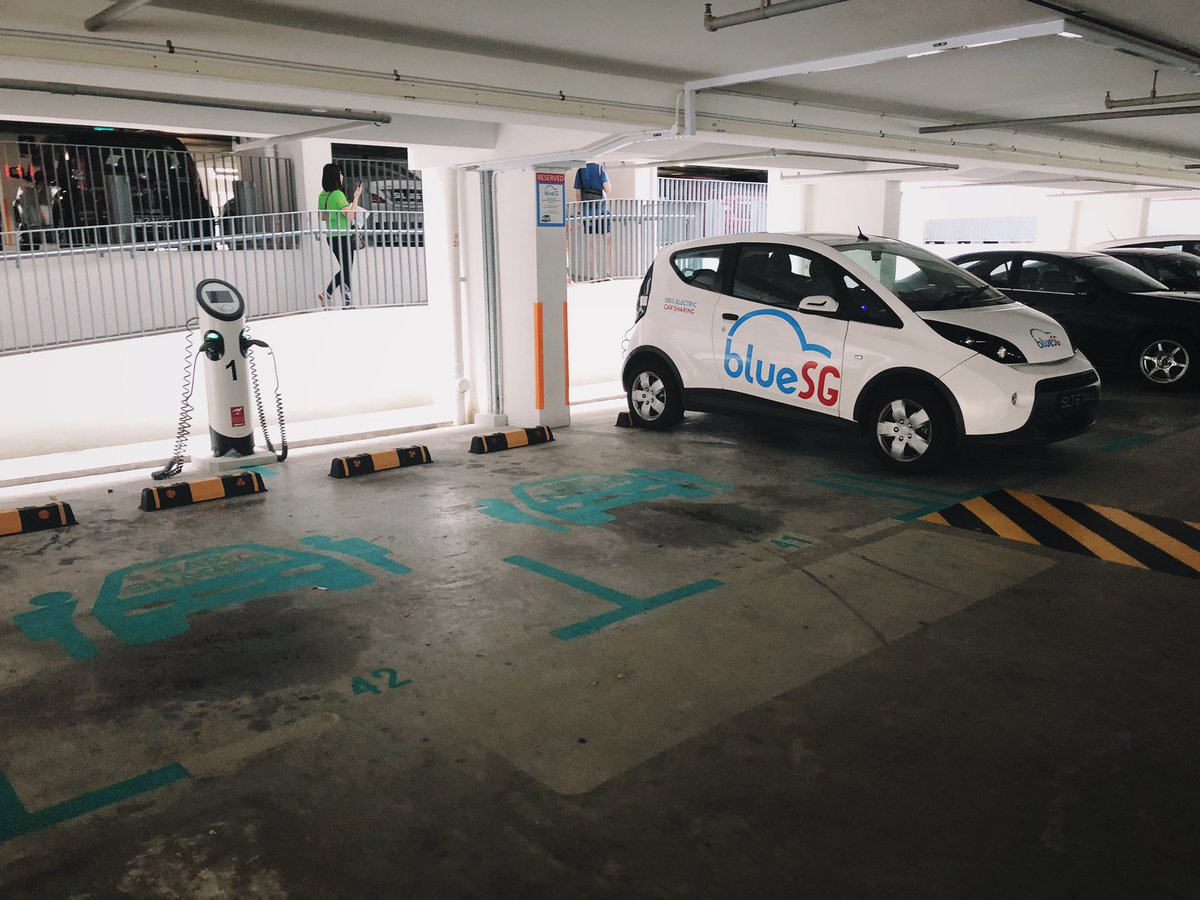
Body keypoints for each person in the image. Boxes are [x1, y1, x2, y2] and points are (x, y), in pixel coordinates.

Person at [317, 163, 363, 308]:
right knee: (347, 269)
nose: (342, 177)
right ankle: (334, 295)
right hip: (344, 236)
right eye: (340, 174)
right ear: (335, 176)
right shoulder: (338, 194)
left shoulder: (323, 195)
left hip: (331, 236)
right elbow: (350, 216)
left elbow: (323, 217)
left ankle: (338, 299)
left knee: (345, 268)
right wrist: (355, 199)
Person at [573, 161, 611, 280]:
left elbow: (578, 195)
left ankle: (594, 275)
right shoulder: (600, 169)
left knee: (591, 245)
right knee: (608, 242)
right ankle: (609, 272)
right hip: (602, 211)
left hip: (587, 213)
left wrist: (579, 213)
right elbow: (608, 189)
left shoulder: (579, 171)